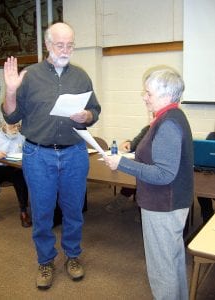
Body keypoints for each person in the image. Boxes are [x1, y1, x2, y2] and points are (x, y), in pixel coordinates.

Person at [2, 22, 101, 289]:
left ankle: (73, 256)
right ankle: (45, 261)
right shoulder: (30, 76)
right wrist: (11, 90)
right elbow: (11, 115)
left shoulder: (81, 76)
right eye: (60, 45)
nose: (66, 50)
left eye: (70, 44)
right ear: (47, 45)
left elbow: (95, 110)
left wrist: (87, 116)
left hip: (75, 154)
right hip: (38, 155)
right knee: (43, 212)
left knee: (73, 210)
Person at [105, 67, 193, 300]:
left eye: (148, 93)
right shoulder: (171, 117)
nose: (143, 97)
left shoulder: (168, 124)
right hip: (169, 203)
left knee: (162, 268)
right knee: (172, 261)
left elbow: (164, 174)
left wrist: (121, 163)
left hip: (163, 205)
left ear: (165, 95)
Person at [0, 122, 31, 227]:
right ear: (4, 125)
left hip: (14, 168)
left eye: (18, 126)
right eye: (13, 125)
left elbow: (27, 152)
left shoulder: (21, 137)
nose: (16, 128)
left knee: (22, 182)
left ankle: (23, 212)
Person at [105, 125, 149, 214]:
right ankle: (122, 200)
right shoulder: (147, 129)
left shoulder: (165, 131)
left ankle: (143, 209)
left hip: (156, 169)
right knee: (132, 174)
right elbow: (132, 145)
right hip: (141, 163)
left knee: (141, 176)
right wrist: (129, 144)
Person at [197, 131, 215, 224]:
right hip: (210, 174)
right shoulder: (212, 136)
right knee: (201, 194)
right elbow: (206, 156)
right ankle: (207, 220)